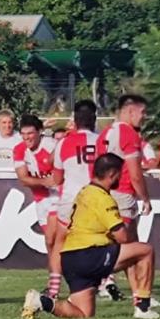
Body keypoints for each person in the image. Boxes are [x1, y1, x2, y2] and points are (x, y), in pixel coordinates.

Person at [21, 153, 159, 319]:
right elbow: (122, 236)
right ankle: (143, 308)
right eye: (121, 174)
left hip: (70, 259)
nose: (123, 178)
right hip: (90, 254)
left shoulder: (84, 192)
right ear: (112, 174)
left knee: (83, 314)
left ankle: (42, 302)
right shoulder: (103, 198)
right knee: (145, 251)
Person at [96, 94, 154, 304]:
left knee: (132, 245)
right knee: (130, 249)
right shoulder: (128, 133)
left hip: (108, 194)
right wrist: (145, 198)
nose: (144, 117)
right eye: (142, 112)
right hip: (123, 194)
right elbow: (135, 172)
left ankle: (140, 293)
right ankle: (97, 278)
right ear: (131, 111)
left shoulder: (105, 133)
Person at [47, 100, 101, 301]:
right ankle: (107, 282)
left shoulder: (63, 144)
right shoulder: (102, 141)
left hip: (71, 200)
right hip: (96, 201)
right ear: (94, 120)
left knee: (60, 243)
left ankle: (53, 289)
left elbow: (58, 179)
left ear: (75, 122)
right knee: (104, 242)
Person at [13, 114, 60, 296]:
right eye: (23, 134)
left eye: (30, 134)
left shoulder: (51, 146)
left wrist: (55, 180)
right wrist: (44, 182)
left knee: (53, 239)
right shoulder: (19, 150)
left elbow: (62, 171)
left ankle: (54, 287)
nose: (27, 138)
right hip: (41, 199)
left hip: (61, 197)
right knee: (50, 242)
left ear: (40, 132)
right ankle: (54, 280)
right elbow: (23, 178)